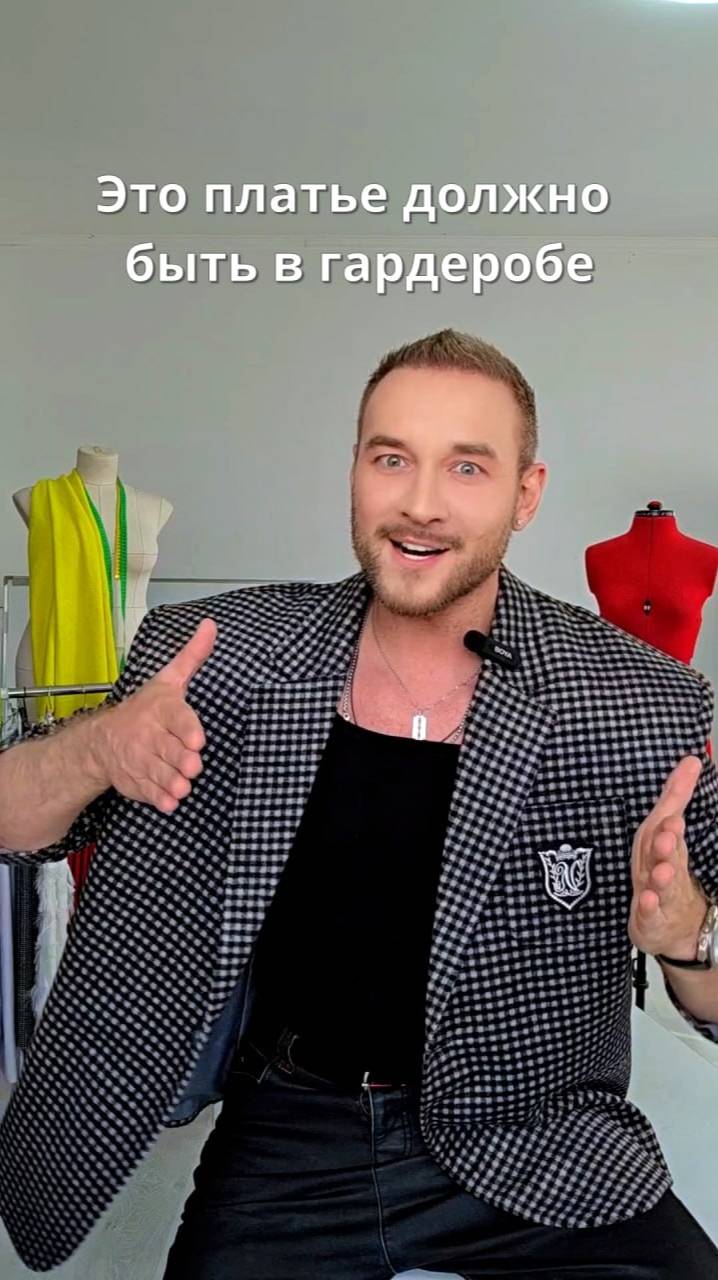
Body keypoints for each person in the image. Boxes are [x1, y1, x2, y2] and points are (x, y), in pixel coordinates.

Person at [1, 329, 718, 1278]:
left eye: (467, 467)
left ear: (526, 493)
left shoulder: (636, 700)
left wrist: (688, 937)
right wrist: (97, 748)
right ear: (355, 470)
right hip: (292, 1137)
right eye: (391, 459)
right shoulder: (222, 654)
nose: (420, 503)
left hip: (536, 1135)